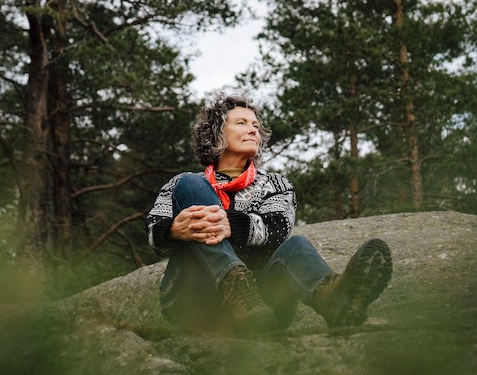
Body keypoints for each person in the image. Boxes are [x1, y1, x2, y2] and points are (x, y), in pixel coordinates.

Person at [145, 92, 392, 333]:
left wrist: (233, 225)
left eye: (255, 125)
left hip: (263, 306)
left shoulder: (276, 185)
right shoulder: (183, 184)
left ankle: (333, 299)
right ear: (216, 133)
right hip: (196, 300)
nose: (253, 130)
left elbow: (278, 228)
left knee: (296, 244)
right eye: (241, 123)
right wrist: (173, 231)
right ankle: (236, 286)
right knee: (191, 185)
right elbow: (154, 231)